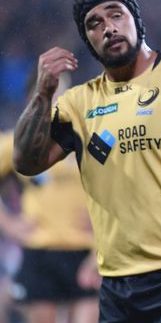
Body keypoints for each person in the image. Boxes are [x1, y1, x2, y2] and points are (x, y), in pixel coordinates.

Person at [12, 0, 161, 322]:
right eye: (94, 24)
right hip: (118, 284)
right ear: (87, 39)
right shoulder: (79, 104)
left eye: (116, 15)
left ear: (136, 19)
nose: (108, 28)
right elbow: (27, 162)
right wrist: (43, 96)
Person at [0, 72, 99, 323]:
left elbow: (116, 191)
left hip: (85, 252)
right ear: (31, 102)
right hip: (41, 250)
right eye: (48, 95)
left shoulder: (89, 141)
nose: (57, 101)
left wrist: (100, 243)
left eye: (61, 94)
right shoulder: (15, 144)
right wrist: (10, 225)